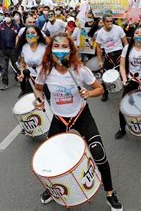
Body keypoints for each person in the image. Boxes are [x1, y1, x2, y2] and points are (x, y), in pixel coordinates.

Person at [34, 33, 123, 210]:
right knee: (51, 158)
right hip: (59, 119)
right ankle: (53, 190)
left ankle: (110, 193)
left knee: (99, 153)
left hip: (81, 115)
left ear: (71, 49)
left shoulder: (79, 69)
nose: (60, 50)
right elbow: (38, 88)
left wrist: (89, 93)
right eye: (56, 46)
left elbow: (99, 88)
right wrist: (39, 99)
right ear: (51, 49)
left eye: (64, 46)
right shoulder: (44, 69)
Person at [96, 13, 128, 101]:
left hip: (120, 54)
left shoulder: (118, 29)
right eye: (107, 21)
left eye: (111, 21)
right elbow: (98, 47)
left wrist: (126, 54)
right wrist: (99, 60)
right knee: (104, 75)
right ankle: (105, 93)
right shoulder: (100, 33)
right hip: (108, 55)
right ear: (103, 22)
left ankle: (127, 93)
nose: (109, 22)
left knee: (125, 74)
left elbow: (125, 42)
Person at [16, 26, 46, 97]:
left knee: (44, 101)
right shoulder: (24, 47)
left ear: (38, 36)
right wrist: (22, 74)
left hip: (43, 79)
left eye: (33, 33)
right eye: (28, 33)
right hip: (30, 79)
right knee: (32, 101)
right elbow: (22, 63)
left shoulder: (44, 48)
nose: (30, 35)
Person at [0, 11, 20, 91]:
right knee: (4, 68)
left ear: (12, 17)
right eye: (5, 15)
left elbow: (19, 38)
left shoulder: (16, 27)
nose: (7, 17)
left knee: (16, 66)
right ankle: (5, 83)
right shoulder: (0, 26)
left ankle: (19, 80)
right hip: (3, 50)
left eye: (9, 16)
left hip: (13, 50)